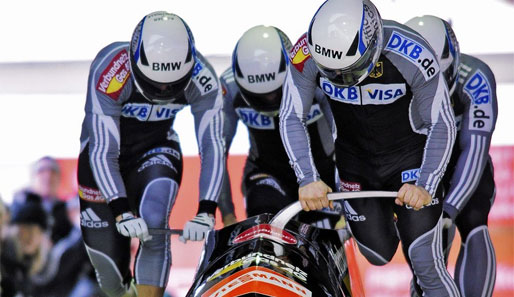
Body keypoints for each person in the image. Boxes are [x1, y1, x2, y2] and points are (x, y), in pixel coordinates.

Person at [278, 0, 460, 296]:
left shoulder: (413, 53)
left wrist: (426, 184)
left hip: (409, 162)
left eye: (349, 71)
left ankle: (427, 232)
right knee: (378, 253)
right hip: (355, 165)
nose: (340, 80)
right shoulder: (304, 54)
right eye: (331, 73)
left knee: (425, 261)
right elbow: (290, 115)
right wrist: (308, 178)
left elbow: (442, 124)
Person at [77, 11, 225, 297]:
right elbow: (102, 149)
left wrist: (206, 211)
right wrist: (120, 211)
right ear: (135, 64)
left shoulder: (202, 78)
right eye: (154, 82)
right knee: (112, 282)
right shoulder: (110, 70)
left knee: (155, 219)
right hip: (103, 162)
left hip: (157, 150)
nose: (163, 89)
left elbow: (212, 146)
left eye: (172, 84)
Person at [406, 15, 498, 297]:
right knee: (428, 240)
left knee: (473, 220)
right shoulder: (395, 75)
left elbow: (475, 149)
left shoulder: (477, 78)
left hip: (462, 161)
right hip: (421, 162)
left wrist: (451, 208)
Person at [220, 25, 339, 227]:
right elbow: (217, 151)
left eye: (276, 93)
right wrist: (227, 214)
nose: (270, 100)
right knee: (266, 219)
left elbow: (343, 137)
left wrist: (347, 190)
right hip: (268, 174)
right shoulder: (229, 89)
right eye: (261, 96)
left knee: (323, 234)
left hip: (322, 177)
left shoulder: (316, 78)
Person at [13, 156, 73, 243]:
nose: (48, 175)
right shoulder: (19, 208)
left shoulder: (68, 210)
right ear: (32, 177)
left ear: (59, 178)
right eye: (41, 171)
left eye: (53, 171)